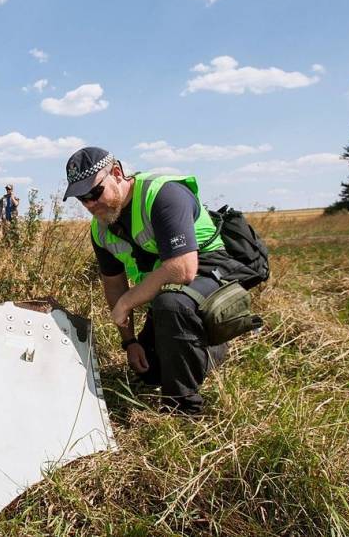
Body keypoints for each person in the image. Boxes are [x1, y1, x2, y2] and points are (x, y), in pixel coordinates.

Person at [63, 147, 251, 414]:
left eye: (95, 192)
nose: (91, 204)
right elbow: (114, 285)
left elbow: (182, 269)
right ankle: (209, 345)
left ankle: (182, 407)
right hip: (166, 289)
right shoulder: (101, 230)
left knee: (171, 304)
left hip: (210, 272)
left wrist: (128, 302)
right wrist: (130, 342)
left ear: (117, 173)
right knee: (150, 371)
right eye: (82, 199)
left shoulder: (162, 195)